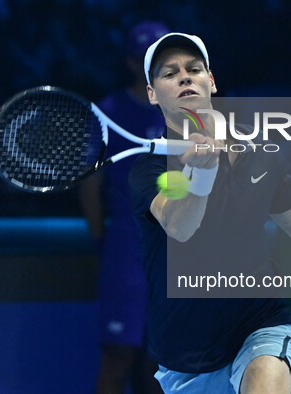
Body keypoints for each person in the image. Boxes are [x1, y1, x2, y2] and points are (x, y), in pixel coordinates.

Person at [128, 33, 291, 393]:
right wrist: (202, 173)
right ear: (152, 93)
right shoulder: (150, 170)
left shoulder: (261, 154)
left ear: (210, 81)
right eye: (169, 73)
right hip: (186, 353)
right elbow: (180, 226)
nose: (184, 77)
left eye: (194, 69)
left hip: (259, 323)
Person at [79, 22, 169, 394]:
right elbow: (90, 184)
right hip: (126, 252)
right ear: (132, 64)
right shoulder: (109, 111)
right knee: (118, 358)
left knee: (159, 364)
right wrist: (104, 240)